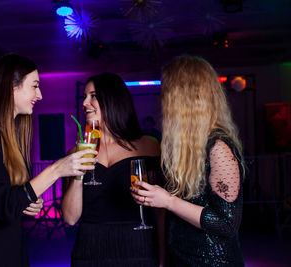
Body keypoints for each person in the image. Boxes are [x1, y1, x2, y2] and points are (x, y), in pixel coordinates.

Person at [0, 53, 97, 267]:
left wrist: (26, 200)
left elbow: (7, 199)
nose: (40, 95)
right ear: (11, 88)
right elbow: (1, 205)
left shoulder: (11, 133)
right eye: (34, 86)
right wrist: (57, 169)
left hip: (10, 251)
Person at [131, 55, 246, 266]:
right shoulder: (182, 147)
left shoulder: (218, 147)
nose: (160, 99)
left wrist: (168, 200)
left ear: (183, 99)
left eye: (165, 92)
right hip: (180, 257)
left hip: (212, 262)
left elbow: (227, 223)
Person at [61, 73, 164, 267]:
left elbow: (160, 212)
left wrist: (163, 257)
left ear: (113, 100)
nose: (85, 103)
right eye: (84, 96)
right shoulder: (75, 151)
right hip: (89, 251)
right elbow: (70, 218)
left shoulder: (149, 146)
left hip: (139, 246)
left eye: (93, 96)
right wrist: (78, 174)